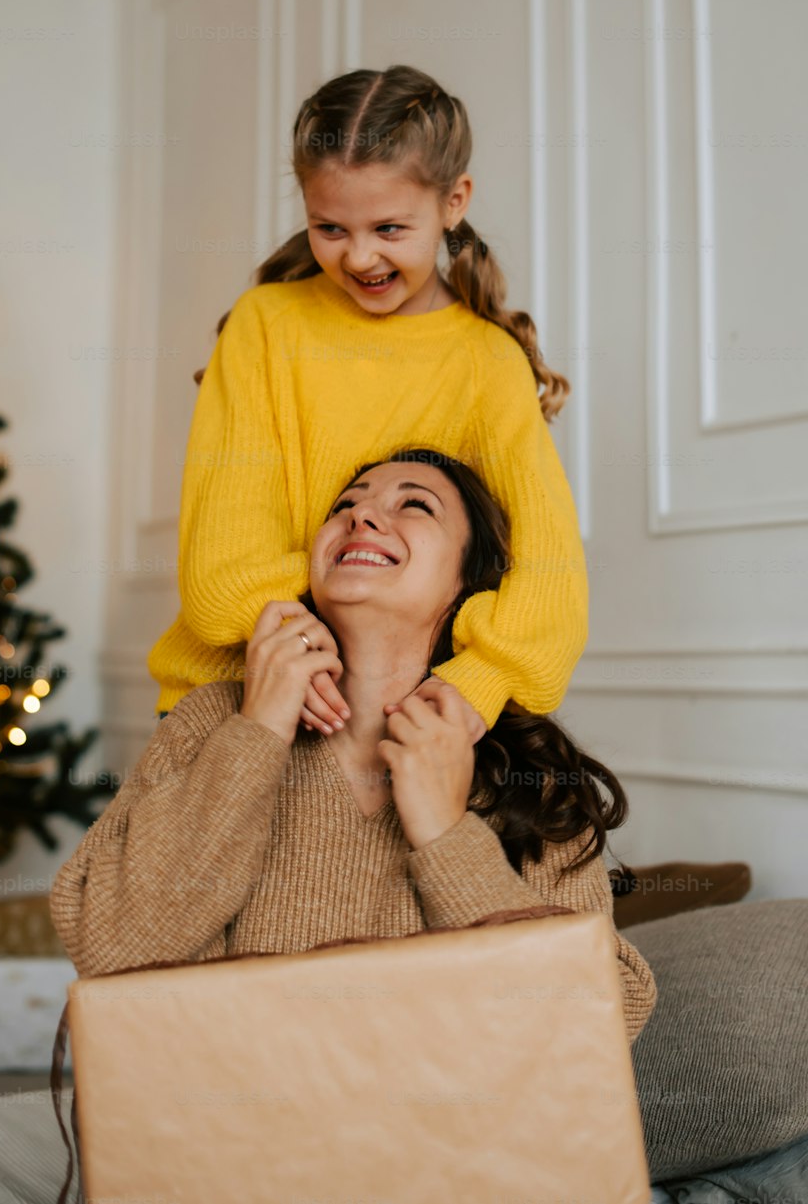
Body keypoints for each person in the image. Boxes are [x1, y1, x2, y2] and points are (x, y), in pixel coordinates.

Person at [50, 451, 657, 1043]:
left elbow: (603, 1017)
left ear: (470, 581)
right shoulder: (213, 720)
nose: (360, 518)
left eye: (415, 505)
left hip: (437, 1138)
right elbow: (110, 950)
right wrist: (256, 733)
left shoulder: (525, 769)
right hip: (227, 1132)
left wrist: (448, 836)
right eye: (345, 505)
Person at [146, 63, 589, 743]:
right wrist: (291, 640)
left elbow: (548, 566)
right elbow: (219, 562)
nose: (358, 257)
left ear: (454, 202)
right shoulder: (266, 324)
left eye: (388, 229)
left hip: (405, 713)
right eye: (330, 228)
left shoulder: (486, 363)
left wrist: (485, 679)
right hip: (233, 696)